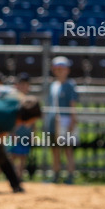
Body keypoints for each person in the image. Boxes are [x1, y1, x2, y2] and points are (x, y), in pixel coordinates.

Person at [45, 56, 79, 185]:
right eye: (57, 68)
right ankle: (56, 174)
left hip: (65, 119)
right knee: (55, 148)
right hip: (54, 119)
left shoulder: (70, 85)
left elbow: (72, 103)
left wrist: (72, 119)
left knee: (67, 148)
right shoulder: (53, 85)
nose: (59, 71)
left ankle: (70, 175)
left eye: (62, 68)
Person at [6, 72, 35, 179]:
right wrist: (11, 132)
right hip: (13, 133)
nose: (23, 86)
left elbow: (34, 120)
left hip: (25, 133)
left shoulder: (31, 100)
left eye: (25, 84)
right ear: (17, 86)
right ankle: (10, 177)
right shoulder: (13, 100)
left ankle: (19, 178)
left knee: (23, 157)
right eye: (21, 84)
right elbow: (10, 118)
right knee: (11, 156)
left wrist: (33, 134)